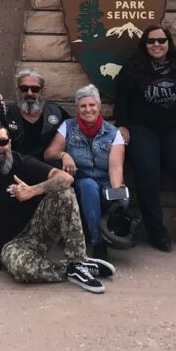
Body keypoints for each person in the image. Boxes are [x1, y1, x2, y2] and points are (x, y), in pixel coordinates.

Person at [0, 122, 114, 294]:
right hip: (9, 245)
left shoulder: (22, 163)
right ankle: (71, 269)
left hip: (38, 231)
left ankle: (78, 260)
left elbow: (67, 179)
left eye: (3, 142)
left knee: (63, 192)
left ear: (9, 143)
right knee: (21, 270)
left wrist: (32, 191)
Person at [113, 24, 176, 251]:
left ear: (168, 43)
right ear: (144, 45)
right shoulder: (133, 68)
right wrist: (122, 124)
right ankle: (156, 233)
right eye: (151, 41)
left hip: (175, 128)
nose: (156, 45)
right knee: (148, 172)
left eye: (161, 40)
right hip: (143, 127)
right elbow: (121, 97)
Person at [44, 85, 127, 260]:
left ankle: (110, 234)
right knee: (89, 187)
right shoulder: (68, 126)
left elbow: (115, 167)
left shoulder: (113, 132)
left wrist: (116, 193)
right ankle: (98, 243)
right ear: (77, 109)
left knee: (123, 198)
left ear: (99, 107)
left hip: (105, 179)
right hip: (81, 179)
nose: (88, 109)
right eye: (83, 106)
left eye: (92, 105)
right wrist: (64, 154)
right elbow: (48, 153)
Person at [0, 68, 70, 161]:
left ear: (43, 91)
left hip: (47, 168)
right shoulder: (7, 111)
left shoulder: (56, 112)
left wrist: (65, 156)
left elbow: (73, 130)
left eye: (35, 89)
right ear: (18, 90)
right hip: (14, 165)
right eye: (24, 88)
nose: (29, 93)